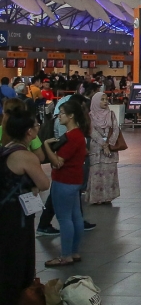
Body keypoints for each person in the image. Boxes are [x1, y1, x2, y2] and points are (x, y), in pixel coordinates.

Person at [0, 105, 49, 305]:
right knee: (15, 261)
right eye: (36, 126)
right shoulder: (26, 156)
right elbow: (43, 183)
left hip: (5, 211)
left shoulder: (5, 149)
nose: (38, 128)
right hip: (15, 216)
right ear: (29, 132)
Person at [41, 99, 89, 267]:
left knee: (64, 218)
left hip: (64, 180)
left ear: (71, 116)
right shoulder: (79, 135)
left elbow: (57, 162)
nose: (59, 116)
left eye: (61, 113)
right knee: (76, 216)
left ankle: (65, 255)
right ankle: (74, 252)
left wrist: (46, 146)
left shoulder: (71, 137)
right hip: (75, 180)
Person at [86, 92, 121, 205]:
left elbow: (116, 129)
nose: (105, 101)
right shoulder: (90, 115)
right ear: (96, 101)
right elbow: (92, 131)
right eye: (102, 99)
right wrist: (103, 144)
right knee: (96, 173)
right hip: (96, 149)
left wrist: (109, 144)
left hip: (110, 150)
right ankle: (97, 198)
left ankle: (108, 197)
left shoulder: (111, 114)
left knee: (109, 173)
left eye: (106, 99)